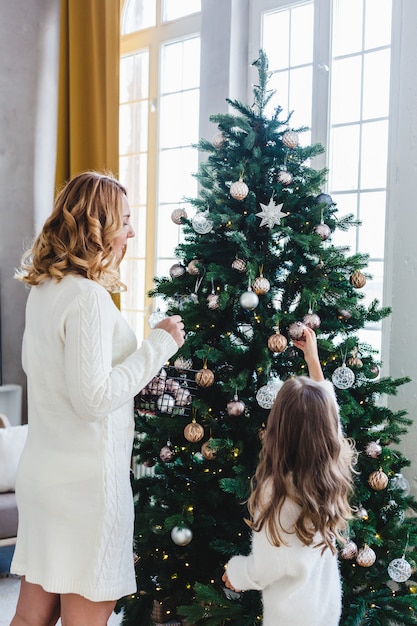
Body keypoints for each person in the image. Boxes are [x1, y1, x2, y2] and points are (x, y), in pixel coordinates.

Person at [10, 171, 185, 626]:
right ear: (98, 226)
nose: (131, 232)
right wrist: (159, 345)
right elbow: (94, 398)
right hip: (86, 488)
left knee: (31, 619)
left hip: (45, 476)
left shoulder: (45, 289)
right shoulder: (87, 298)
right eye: (124, 221)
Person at [222, 326, 356, 626]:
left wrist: (236, 574)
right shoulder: (331, 469)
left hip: (291, 616)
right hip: (324, 607)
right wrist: (313, 360)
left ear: (278, 428)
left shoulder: (278, 491)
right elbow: (329, 419)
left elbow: (266, 567)